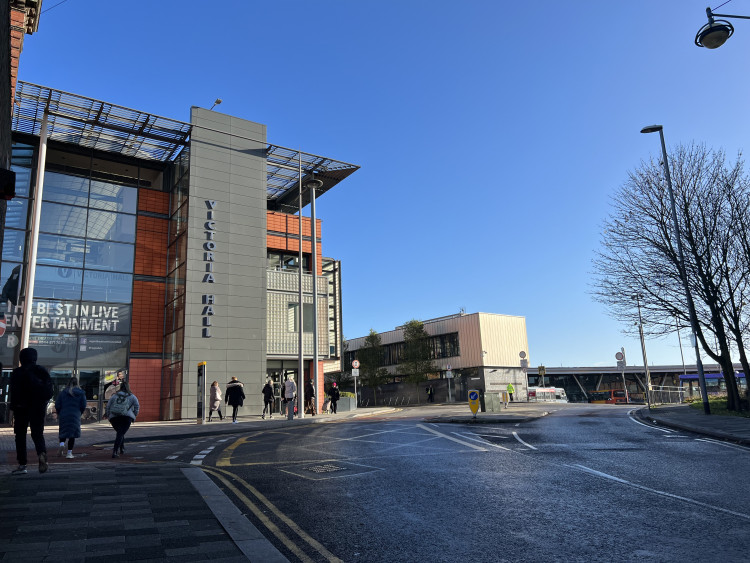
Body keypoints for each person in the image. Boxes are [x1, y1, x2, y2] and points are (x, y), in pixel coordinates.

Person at [9, 347, 53, 475]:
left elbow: (14, 392)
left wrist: (13, 407)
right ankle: (41, 453)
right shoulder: (41, 370)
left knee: (20, 436)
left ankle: (22, 464)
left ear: (21, 358)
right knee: (38, 434)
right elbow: (49, 391)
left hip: (21, 408)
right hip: (38, 408)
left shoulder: (17, 373)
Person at [105, 380, 139, 459]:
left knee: (120, 432)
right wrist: (134, 415)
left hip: (114, 417)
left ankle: (121, 448)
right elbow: (137, 407)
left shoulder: (114, 396)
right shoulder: (132, 396)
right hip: (127, 417)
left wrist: (108, 415)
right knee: (120, 433)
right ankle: (115, 451)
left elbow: (108, 406)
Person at [55, 377, 87, 459]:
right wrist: (79, 412)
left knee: (63, 431)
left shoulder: (63, 393)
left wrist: (59, 413)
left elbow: (57, 405)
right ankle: (69, 453)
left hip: (64, 414)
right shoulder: (81, 393)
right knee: (72, 435)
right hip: (75, 414)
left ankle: (62, 445)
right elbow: (83, 405)